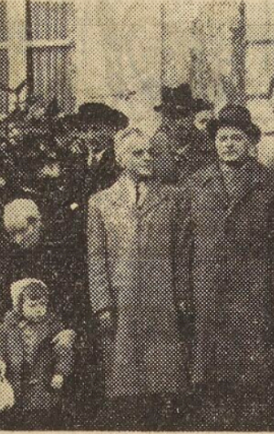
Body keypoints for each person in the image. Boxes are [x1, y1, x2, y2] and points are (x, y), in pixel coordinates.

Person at [175, 105, 274, 429]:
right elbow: (183, 246)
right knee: (208, 373)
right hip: (207, 290)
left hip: (253, 290)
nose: (228, 145)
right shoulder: (195, 184)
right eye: (222, 138)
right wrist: (183, 292)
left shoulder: (269, 183)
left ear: (251, 142)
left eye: (236, 138)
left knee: (251, 374)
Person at [86, 127, 188, 430]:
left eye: (151, 153)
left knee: (163, 385)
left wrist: (181, 297)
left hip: (162, 302)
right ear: (120, 158)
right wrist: (102, 304)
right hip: (122, 303)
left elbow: (182, 254)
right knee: (126, 389)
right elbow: (95, 257)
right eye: (138, 153)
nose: (147, 159)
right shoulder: (100, 202)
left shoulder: (173, 198)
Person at [0, 279, 74, 430]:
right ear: (20, 306)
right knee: (14, 422)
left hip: (43, 386)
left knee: (40, 421)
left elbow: (64, 352)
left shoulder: (53, 327)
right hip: (16, 386)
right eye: (32, 305)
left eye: (43, 304)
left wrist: (60, 373)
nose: (39, 310)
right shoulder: (8, 327)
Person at [151, 84, 216, 183]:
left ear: (193, 115)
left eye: (183, 114)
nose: (178, 122)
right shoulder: (152, 151)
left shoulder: (209, 147)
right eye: (171, 115)